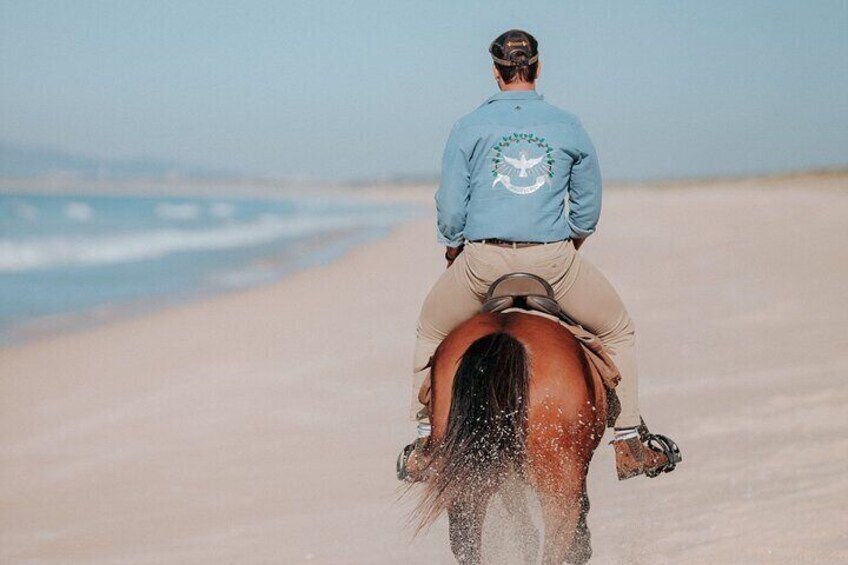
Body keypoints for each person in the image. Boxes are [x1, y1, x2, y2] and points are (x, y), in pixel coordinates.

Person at [398, 29, 679, 481]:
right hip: (553, 263)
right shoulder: (567, 125)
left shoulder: (468, 126)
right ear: (537, 68)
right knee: (618, 330)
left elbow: (451, 207)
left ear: (495, 72)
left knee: (430, 331)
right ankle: (629, 441)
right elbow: (587, 207)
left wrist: (454, 246)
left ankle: (425, 445)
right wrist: (573, 241)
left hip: (481, 264)